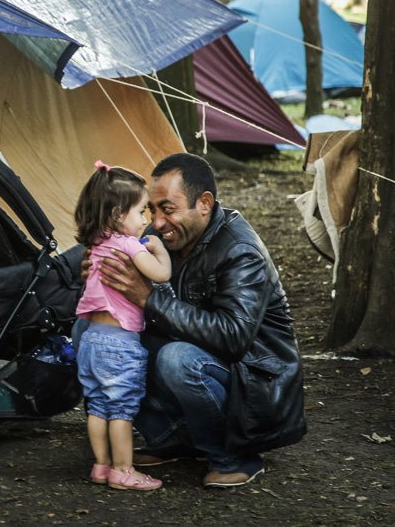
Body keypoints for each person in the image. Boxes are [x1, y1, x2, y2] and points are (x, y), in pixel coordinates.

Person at [93, 152, 306, 488]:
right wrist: (100, 280)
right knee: (97, 333)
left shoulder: (240, 250)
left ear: (204, 203)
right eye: (151, 209)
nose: (157, 222)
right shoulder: (160, 236)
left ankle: (235, 456)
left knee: (178, 359)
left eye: (168, 208)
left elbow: (232, 338)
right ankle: (177, 439)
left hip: (255, 380)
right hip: (203, 360)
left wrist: (148, 298)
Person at [72, 160, 171, 491]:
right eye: (141, 211)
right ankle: (123, 470)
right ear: (116, 214)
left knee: (97, 406)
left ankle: (100, 466)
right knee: (122, 411)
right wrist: (159, 250)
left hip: (90, 341)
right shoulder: (129, 245)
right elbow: (160, 275)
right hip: (119, 344)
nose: (146, 220)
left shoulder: (96, 245)